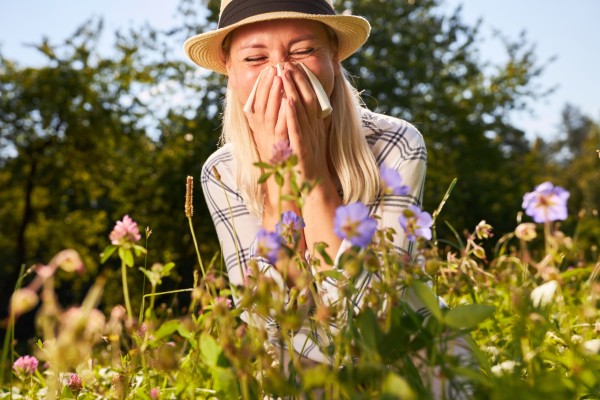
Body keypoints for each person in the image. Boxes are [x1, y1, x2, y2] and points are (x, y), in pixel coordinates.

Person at [185, 0, 469, 397]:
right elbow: (267, 317)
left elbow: (372, 317)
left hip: (408, 356)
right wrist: (279, 182)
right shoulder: (222, 172)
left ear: (333, 55)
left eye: (303, 51)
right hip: (300, 372)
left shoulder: (397, 145)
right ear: (230, 69)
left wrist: (312, 170)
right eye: (255, 57)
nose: (281, 72)